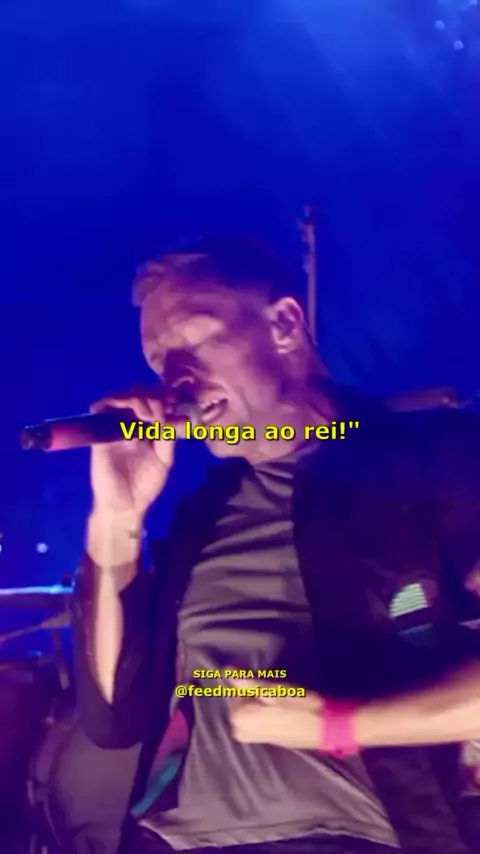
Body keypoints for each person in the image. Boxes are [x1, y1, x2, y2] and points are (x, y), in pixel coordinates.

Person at [73, 235, 480, 854]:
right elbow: (112, 717)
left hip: (355, 837)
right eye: (159, 363)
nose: (174, 381)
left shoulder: (438, 457)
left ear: (285, 325)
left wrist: (342, 725)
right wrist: (116, 517)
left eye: (193, 340)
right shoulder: (202, 514)